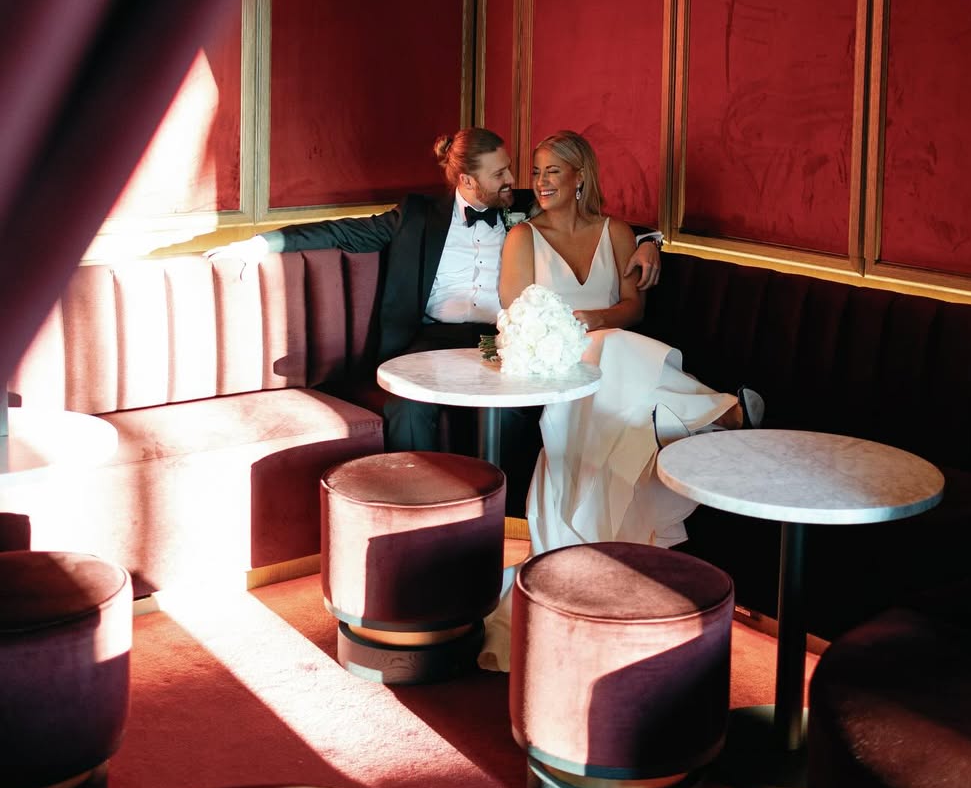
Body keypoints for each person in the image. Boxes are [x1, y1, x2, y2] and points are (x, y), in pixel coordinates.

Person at [208, 127, 662, 467]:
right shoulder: (417, 216)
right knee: (406, 409)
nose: (513, 178)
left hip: (503, 340)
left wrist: (650, 242)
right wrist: (262, 244)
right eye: (500, 173)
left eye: (510, 169)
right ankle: (421, 506)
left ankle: (501, 516)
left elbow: (590, 219)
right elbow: (341, 231)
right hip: (433, 339)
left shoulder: (523, 205)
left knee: (513, 412)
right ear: (467, 180)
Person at [499, 129, 751, 555]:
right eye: (537, 172)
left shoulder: (616, 232)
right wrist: (577, 333)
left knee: (611, 343)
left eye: (553, 171)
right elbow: (516, 318)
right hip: (556, 366)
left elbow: (634, 308)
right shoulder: (523, 237)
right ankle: (716, 412)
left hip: (611, 359)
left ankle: (683, 425)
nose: (541, 182)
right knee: (611, 344)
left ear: (580, 176)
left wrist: (595, 320)